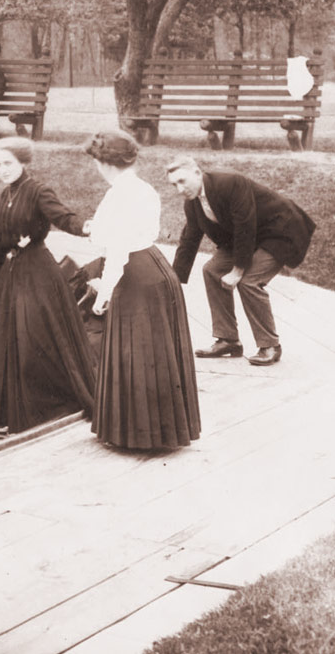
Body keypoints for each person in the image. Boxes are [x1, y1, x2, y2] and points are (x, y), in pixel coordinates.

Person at [0, 137, 96, 431]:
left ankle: (51, 405)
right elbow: (0, 242)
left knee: (36, 338)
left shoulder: (38, 190)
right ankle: (26, 407)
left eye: (8, 163)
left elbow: (63, 217)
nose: (2, 170)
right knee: (20, 340)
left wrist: (84, 227)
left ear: (23, 162)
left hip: (40, 274)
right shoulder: (6, 194)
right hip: (17, 274)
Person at [82, 131, 200, 449]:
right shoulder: (142, 188)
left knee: (138, 351)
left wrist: (104, 293)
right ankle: (161, 431)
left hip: (135, 276)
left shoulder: (120, 194)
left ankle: (141, 436)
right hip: (155, 268)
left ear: (105, 163)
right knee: (155, 354)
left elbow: (119, 249)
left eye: (96, 161)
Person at [168, 155, 316, 367]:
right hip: (250, 236)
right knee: (212, 270)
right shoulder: (192, 204)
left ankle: (270, 346)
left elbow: (245, 225)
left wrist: (237, 271)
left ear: (197, 173)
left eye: (182, 181)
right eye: (174, 185)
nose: (180, 189)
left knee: (249, 280)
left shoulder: (229, 183)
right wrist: (174, 281)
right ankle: (228, 340)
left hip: (280, 230)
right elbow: (189, 240)